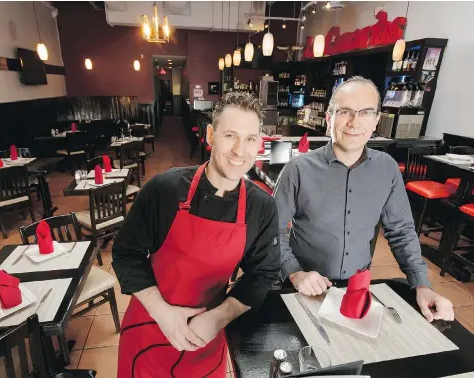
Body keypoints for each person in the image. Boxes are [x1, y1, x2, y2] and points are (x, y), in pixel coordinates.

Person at [112, 92, 280, 378]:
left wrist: (217, 318)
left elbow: (262, 274)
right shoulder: (163, 190)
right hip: (149, 330)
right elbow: (126, 254)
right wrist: (163, 314)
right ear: (211, 135)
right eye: (230, 136)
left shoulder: (262, 206)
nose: (240, 151)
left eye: (250, 138)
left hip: (206, 337)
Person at [273, 76, 454, 322]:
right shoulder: (298, 169)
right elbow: (272, 231)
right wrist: (294, 273)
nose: (355, 122)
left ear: (376, 120)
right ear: (329, 118)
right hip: (304, 285)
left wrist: (422, 285)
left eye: (366, 112)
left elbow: (401, 231)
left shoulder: (387, 168)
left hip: (357, 290)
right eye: (345, 111)